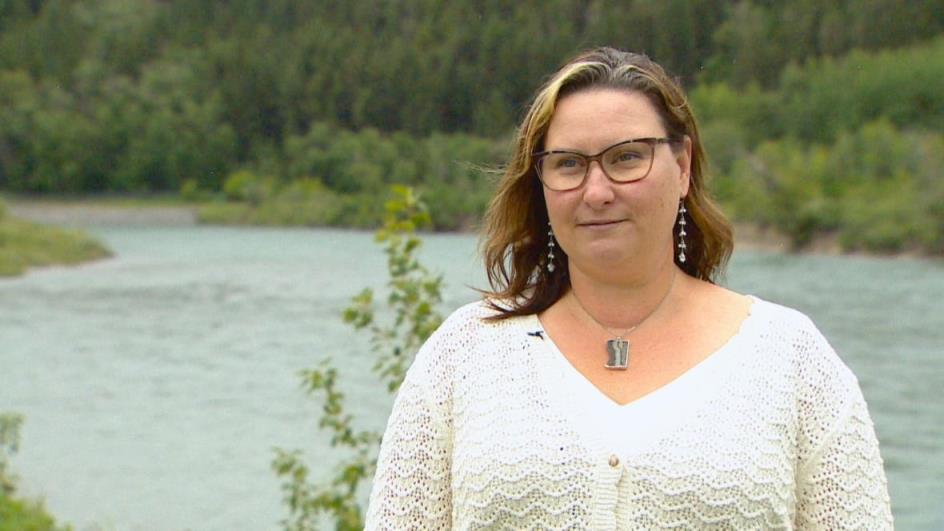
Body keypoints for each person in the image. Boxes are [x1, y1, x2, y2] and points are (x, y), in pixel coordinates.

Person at [365, 47, 893, 529]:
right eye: (568, 164)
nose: (597, 191)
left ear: (682, 166)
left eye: (626, 158)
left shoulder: (791, 361)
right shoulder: (464, 356)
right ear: (541, 184)